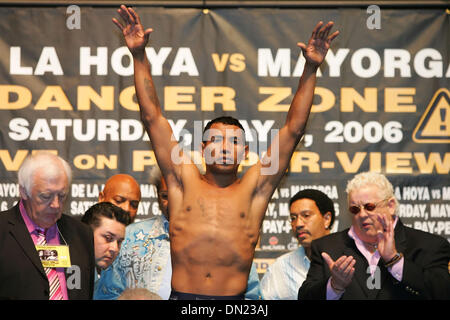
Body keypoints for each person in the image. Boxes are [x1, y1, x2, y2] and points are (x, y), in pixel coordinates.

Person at [112, 5, 338, 299]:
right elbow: (152, 116)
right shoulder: (182, 180)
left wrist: (310, 68)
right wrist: (139, 56)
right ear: (203, 149)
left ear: (245, 152)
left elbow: (293, 130)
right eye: (215, 140)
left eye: (233, 142)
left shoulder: (255, 187)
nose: (223, 147)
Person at [94, 166, 262, 300]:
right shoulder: (128, 237)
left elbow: (252, 296)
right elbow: (107, 293)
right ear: (157, 196)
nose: (173, 202)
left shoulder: (228, 236)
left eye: (181, 194)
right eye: (166, 195)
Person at [298, 171, 450, 300]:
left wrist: (395, 261)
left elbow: (442, 293)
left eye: (369, 207)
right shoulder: (327, 247)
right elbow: (305, 297)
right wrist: (334, 286)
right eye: (355, 209)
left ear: (390, 206)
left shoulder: (430, 245)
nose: (362, 214)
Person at [0, 152, 95, 300]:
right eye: (46, 196)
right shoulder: (3, 230)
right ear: (23, 191)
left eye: (62, 196)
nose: (56, 205)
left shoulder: (82, 234)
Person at [261, 189, 335, 299]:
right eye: (293, 218)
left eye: (306, 215)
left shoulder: (350, 258)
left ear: (327, 219)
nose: (298, 224)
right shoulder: (280, 268)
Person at [81, 202, 131, 275]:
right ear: (86, 233)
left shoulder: (118, 279)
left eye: (119, 242)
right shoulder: (62, 272)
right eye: (108, 238)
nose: (115, 249)